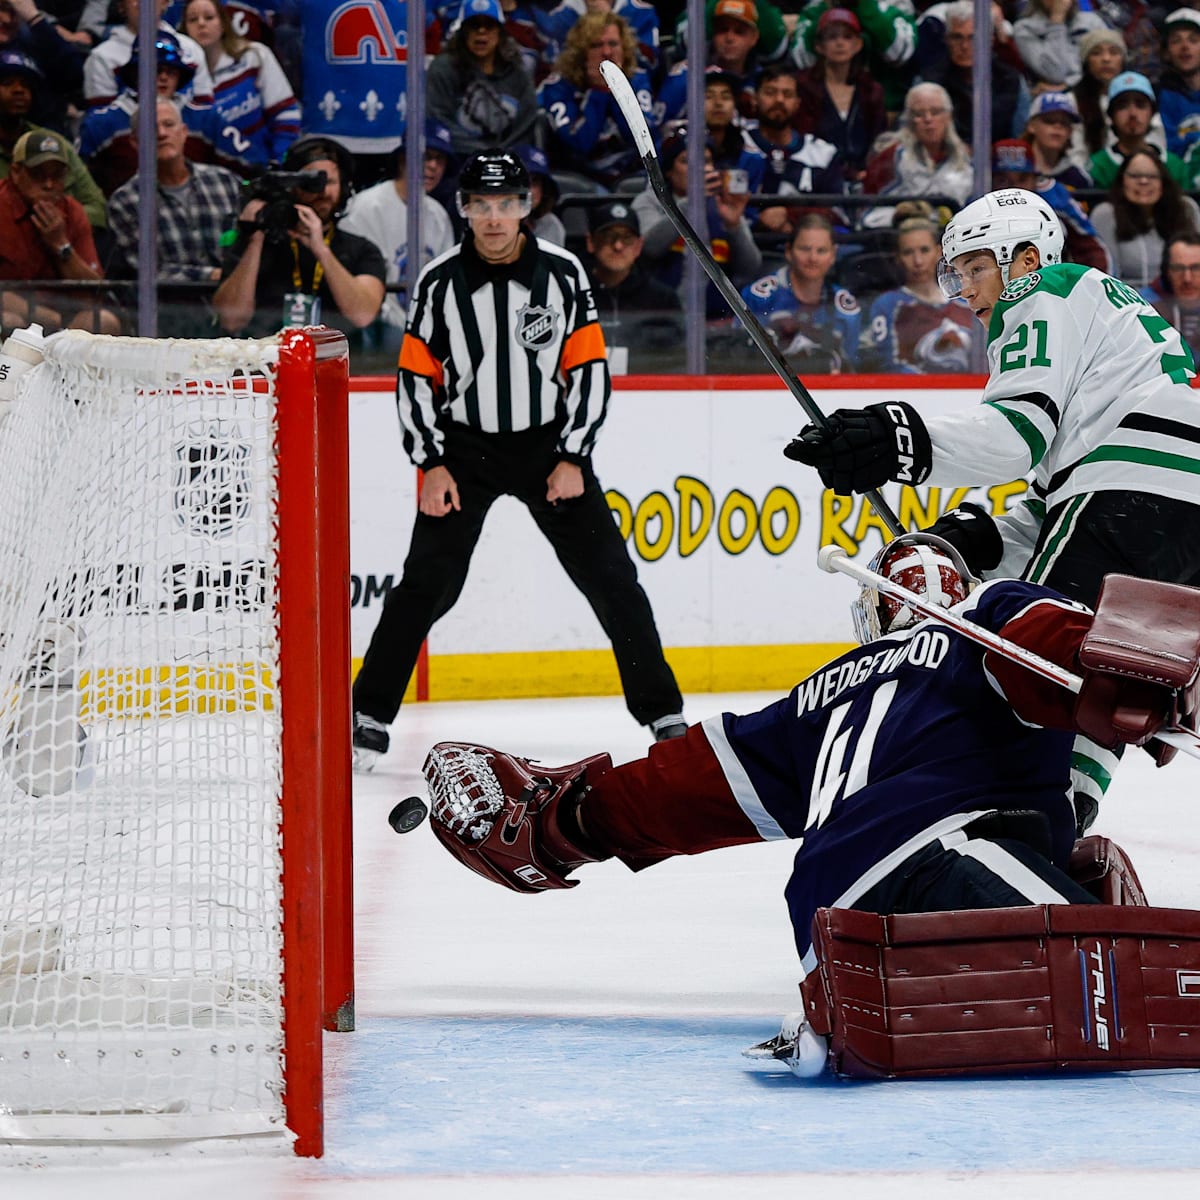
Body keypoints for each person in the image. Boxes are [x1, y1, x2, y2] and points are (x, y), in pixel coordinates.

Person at [424, 532, 1184, 972]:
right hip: (934, 862)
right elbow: (1053, 641)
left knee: (1082, 866)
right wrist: (1142, 673)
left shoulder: (815, 698)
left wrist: (563, 827)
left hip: (826, 937)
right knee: (1132, 970)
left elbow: (682, 787)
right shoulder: (987, 615)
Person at [783, 185, 1200, 832]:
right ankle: (1062, 812)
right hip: (1174, 504)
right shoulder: (1104, 321)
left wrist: (895, 440)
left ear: (1024, 260)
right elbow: (1058, 497)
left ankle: (1018, 825)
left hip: (1134, 492)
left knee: (1037, 667)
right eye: (959, 274)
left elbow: (1014, 438)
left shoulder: (1041, 293)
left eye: (976, 267)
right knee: (1100, 677)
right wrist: (972, 536)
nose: (967, 290)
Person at [350, 151, 686, 770]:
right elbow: (415, 378)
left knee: (611, 578)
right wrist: (432, 463)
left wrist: (572, 455)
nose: (495, 218)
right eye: (482, 205)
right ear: (465, 210)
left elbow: (587, 370)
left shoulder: (562, 274)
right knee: (426, 585)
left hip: (547, 448)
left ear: (526, 207)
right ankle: (367, 716)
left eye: (507, 204)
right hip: (463, 451)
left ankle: (664, 715)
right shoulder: (439, 281)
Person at [212, 134, 386, 338]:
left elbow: (363, 315)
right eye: (311, 182)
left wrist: (321, 250)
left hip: (339, 361)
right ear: (293, 187)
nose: (322, 191)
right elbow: (230, 321)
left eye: (329, 181)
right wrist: (255, 239)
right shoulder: (256, 242)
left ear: (344, 187)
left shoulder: (362, 250)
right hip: (268, 358)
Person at [106, 95, 241, 334]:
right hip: (171, 324)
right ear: (135, 142)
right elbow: (150, 270)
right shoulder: (125, 201)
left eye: (169, 125)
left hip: (238, 316)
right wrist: (215, 275)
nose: (161, 133)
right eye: (151, 128)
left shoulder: (225, 182)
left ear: (184, 132)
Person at [339, 119, 458, 338]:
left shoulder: (439, 216)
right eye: (426, 156)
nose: (432, 166)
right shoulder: (364, 208)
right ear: (403, 159)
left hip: (426, 332)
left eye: (439, 160)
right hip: (372, 330)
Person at [0, 127, 119, 333]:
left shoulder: (73, 211)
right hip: (18, 316)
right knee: (8, 319)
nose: (49, 184)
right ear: (16, 172)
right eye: (38, 175)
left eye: (57, 176)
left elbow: (96, 293)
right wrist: (49, 319)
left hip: (65, 322)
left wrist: (61, 246)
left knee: (103, 321)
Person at [631, 132, 761, 317]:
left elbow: (749, 269)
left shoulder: (722, 205)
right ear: (669, 170)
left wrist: (734, 226)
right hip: (660, 317)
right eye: (686, 161)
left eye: (706, 160)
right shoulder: (650, 201)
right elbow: (649, 248)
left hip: (716, 321)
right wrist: (690, 202)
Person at [538, 8, 657, 188]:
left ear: (624, 48)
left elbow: (643, 138)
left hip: (631, 174)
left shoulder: (637, 79)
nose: (607, 52)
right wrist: (599, 91)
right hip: (582, 178)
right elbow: (579, 143)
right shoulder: (558, 87)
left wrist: (617, 89)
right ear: (580, 53)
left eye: (613, 44)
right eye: (596, 45)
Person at [178, 0, 300, 174]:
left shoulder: (254, 56)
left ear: (223, 23)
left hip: (261, 168)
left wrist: (278, 161)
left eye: (209, 17)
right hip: (209, 179)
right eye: (193, 19)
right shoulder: (180, 77)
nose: (201, 24)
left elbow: (286, 115)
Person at [740, 212, 861, 375]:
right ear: (789, 251)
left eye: (821, 251)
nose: (813, 258)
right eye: (805, 249)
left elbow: (850, 370)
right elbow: (739, 359)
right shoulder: (760, 297)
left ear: (833, 255)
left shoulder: (846, 309)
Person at [0, 47, 106, 228]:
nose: (19, 90)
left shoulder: (53, 142)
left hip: (63, 245)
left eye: (26, 85)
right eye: (8, 83)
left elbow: (98, 211)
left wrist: (57, 217)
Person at [864, 215, 977, 373]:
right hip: (912, 393)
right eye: (908, 252)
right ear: (898, 258)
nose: (918, 261)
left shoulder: (967, 299)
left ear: (938, 252)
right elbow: (889, 364)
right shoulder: (887, 305)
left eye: (924, 250)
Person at [426, 0, 539, 158]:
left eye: (489, 25)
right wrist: (482, 153)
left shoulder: (517, 71)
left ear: (500, 32)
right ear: (463, 32)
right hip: (456, 159)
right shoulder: (443, 68)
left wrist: (500, 155)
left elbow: (527, 121)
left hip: (507, 160)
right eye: (474, 25)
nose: (481, 31)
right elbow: (438, 118)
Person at [748, 63, 845, 237]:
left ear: (797, 103)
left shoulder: (823, 153)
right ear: (755, 98)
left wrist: (791, 215)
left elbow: (838, 212)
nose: (779, 100)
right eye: (770, 92)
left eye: (787, 94)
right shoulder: (737, 144)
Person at [792, 9, 886, 187]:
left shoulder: (871, 90)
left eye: (847, 37)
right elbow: (805, 140)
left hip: (865, 179)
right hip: (818, 177)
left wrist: (869, 172)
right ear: (819, 46)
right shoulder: (803, 86)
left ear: (858, 44)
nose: (840, 43)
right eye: (832, 37)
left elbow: (879, 140)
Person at [990, 137, 1111, 272]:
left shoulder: (1055, 196)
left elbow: (1092, 248)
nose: (1014, 189)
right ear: (989, 180)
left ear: (1035, 179)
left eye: (1022, 179)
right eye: (1002, 180)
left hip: (1052, 283)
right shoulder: (979, 203)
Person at [919, 1, 1030, 146]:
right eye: (957, 37)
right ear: (946, 40)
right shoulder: (929, 83)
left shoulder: (1011, 81)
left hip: (998, 163)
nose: (964, 46)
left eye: (973, 38)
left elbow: (1019, 141)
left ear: (990, 40)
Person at [582, 196, 682, 355]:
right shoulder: (573, 293)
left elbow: (674, 357)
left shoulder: (662, 299)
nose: (618, 246)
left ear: (638, 246)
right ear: (591, 242)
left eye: (627, 238)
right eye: (608, 237)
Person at [1090, 147, 1200, 288]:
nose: (1143, 181)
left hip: (1178, 298)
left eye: (1152, 176)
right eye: (1135, 176)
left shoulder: (1186, 208)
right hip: (1127, 301)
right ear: (1122, 180)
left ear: (1163, 181)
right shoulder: (1105, 215)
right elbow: (1107, 275)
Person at [861, 82, 973, 217]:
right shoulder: (891, 157)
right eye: (919, 113)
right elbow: (869, 213)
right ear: (908, 119)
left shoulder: (966, 158)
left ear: (948, 116)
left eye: (936, 112)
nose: (928, 119)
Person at [789, 0, 917, 112]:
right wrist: (828, 10)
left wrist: (864, 5)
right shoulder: (815, 9)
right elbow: (803, 60)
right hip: (821, 110)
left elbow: (900, 54)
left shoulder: (897, 4)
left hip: (889, 111)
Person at [83, 0, 211, 107]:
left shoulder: (191, 49)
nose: (142, 3)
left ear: (165, 2)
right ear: (121, 5)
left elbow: (205, 113)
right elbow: (102, 124)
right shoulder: (102, 57)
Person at [1088, 71, 1187, 189]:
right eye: (1122, 106)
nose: (1133, 114)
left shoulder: (1174, 165)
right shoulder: (1097, 167)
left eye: (1140, 105)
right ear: (1111, 115)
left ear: (1152, 113)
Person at [1012, 0, 1107, 89]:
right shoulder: (1024, 29)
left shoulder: (1092, 21)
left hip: (1093, 90)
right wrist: (1057, 20)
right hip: (1053, 99)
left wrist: (1068, 84)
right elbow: (1055, 74)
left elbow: (1110, 69)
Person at [1072, 26, 1128, 158]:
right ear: (1086, 62)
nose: (1106, 59)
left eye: (1114, 52)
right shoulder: (1072, 102)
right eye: (1096, 53)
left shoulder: (1137, 99)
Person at [1022, 90, 1092, 190]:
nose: (1057, 126)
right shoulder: (1014, 172)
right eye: (1049, 120)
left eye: (1064, 123)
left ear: (1070, 132)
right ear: (1031, 126)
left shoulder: (1079, 179)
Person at [1149, 231, 1200, 363]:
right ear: (1166, 271)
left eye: (1196, 268)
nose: (1187, 279)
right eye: (1178, 268)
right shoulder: (1148, 307)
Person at [1156, 7, 1200, 160]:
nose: (1185, 47)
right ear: (1166, 52)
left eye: (1193, 40)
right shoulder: (1157, 96)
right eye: (1176, 41)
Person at [512, 142, 564, 246]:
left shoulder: (551, 225)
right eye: (521, 181)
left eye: (534, 182)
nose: (528, 191)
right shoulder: (484, 220)